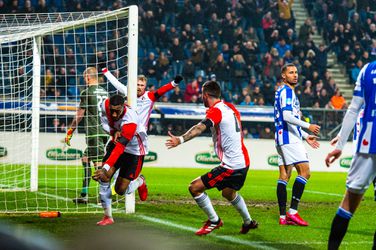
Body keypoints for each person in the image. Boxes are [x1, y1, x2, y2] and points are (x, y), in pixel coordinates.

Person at [165, 80, 258, 235]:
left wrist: (180, 139)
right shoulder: (231, 108)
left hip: (231, 166)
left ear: (205, 95)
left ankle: (214, 221)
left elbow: (200, 127)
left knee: (194, 187)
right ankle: (248, 222)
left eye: (202, 95)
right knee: (228, 193)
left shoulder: (216, 111)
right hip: (243, 161)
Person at [325, 61, 376, 249]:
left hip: (368, 143)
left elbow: (353, 109)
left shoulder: (367, 70)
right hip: (368, 143)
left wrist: (340, 145)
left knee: (348, 203)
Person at [274, 63, 320, 226]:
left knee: (285, 175)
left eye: (296, 72)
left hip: (282, 137)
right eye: (291, 72)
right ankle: (292, 212)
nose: (295, 75)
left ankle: (282, 217)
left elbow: (287, 119)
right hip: (288, 138)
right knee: (305, 172)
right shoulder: (286, 91)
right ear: (284, 76)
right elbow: (287, 116)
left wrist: (305, 136)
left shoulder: (282, 91)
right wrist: (307, 126)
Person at [93, 94, 148, 226]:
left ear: (123, 107)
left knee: (120, 190)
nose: (113, 114)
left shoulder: (131, 120)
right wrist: (113, 132)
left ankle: (140, 181)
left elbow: (120, 148)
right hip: (117, 143)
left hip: (134, 152)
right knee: (104, 177)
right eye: (111, 110)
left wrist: (105, 168)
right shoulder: (105, 105)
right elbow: (104, 123)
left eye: (117, 111)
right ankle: (108, 217)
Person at [65, 67, 108, 204]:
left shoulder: (87, 92)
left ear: (88, 77)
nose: (84, 80)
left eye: (84, 78)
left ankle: (105, 196)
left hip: (94, 132)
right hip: (104, 131)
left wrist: (70, 131)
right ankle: (84, 194)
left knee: (98, 165)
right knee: (85, 159)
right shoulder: (105, 92)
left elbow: (79, 115)